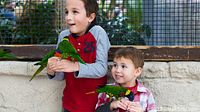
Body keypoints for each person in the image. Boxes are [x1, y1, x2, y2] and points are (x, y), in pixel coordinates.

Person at [46, 0, 111, 111]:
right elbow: (61, 76)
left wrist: (75, 66)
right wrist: (52, 71)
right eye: (66, 12)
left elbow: (102, 68)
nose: (68, 17)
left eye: (75, 12)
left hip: (96, 106)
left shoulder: (98, 33)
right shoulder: (63, 36)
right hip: (69, 104)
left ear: (90, 17)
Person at [95, 47, 156, 112]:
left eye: (123, 66)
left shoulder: (146, 94)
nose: (117, 70)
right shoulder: (106, 90)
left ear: (137, 71)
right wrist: (111, 105)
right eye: (115, 65)